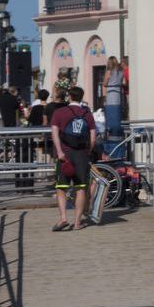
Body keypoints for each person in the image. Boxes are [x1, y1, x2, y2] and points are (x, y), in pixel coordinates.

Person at [46, 86, 97, 232]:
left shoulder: (59, 112)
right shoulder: (87, 114)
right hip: (81, 154)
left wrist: (60, 152)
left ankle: (63, 218)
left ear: (69, 97)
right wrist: (88, 152)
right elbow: (93, 138)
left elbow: (54, 134)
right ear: (81, 97)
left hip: (65, 155)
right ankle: (77, 222)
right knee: (81, 188)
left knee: (61, 187)